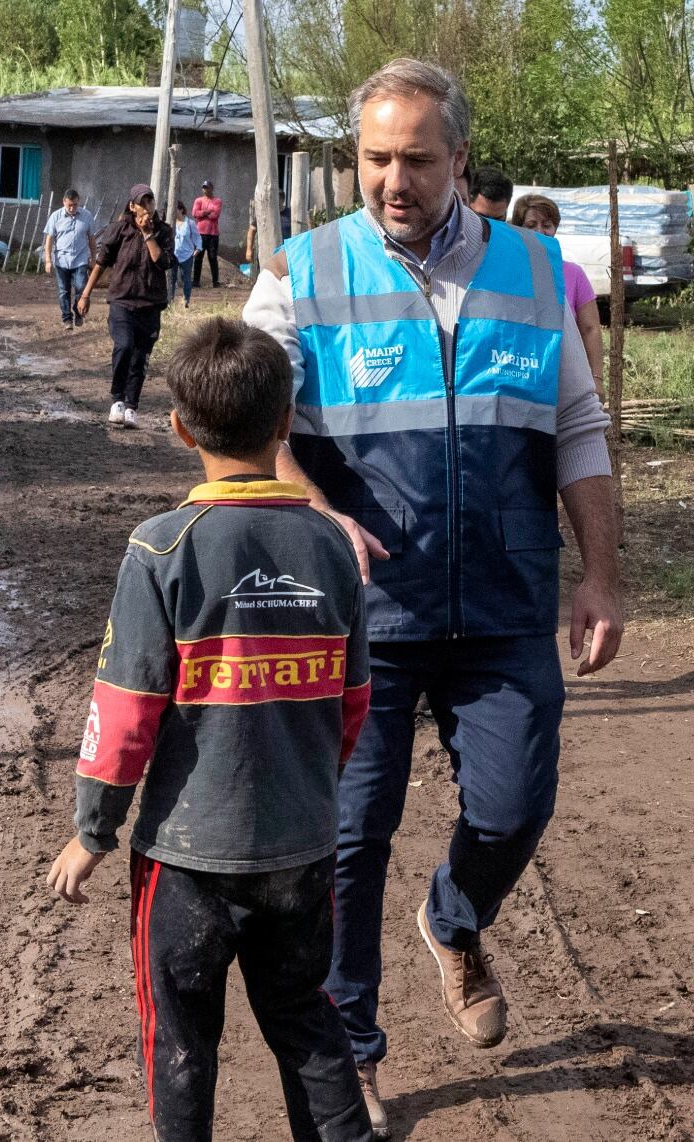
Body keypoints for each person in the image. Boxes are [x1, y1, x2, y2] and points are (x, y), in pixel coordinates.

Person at [243, 58, 623, 1139]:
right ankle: (354, 1050)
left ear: (460, 159)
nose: (391, 179)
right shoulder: (299, 273)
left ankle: (451, 918)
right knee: (348, 840)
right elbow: (253, 428)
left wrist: (599, 573)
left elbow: (581, 431)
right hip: (361, 614)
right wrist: (311, 508)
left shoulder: (538, 269)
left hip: (504, 597)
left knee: (510, 809)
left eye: (414, 158)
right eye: (373, 158)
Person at [47, 317, 375, 1142]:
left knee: (182, 1041)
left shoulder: (162, 549)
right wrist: (311, 783)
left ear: (180, 428)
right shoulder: (333, 547)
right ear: (286, 423)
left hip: (187, 860)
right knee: (307, 1022)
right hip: (302, 846)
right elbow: (354, 701)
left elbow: (125, 708)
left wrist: (93, 829)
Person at [77, 184, 172, 430]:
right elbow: (100, 264)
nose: (147, 207)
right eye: (142, 202)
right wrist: (85, 294)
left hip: (150, 305)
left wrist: (149, 234)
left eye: (150, 202)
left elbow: (163, 263)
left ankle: (131, 407)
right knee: (125, 346)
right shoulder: (119, 230)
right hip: (122, 301)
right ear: (132, 206)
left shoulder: (163, 231)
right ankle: (117, 400)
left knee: (141, 357)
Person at [511, 192, 606, 394]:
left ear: (555, 229)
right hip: (520, 379)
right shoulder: (509, 273)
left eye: (547, 225)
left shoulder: (574, 274)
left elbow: (591, 329)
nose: (540, 231)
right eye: (531, 225)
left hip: (566, 380)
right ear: (518, 229)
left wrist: (597, 378)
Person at [43, 188, 98, 328]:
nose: (72, 208)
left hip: (80, 259)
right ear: (64, 202)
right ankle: (67, 318)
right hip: (61, 260)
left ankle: (78, 313)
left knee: (81, 287)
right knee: (64, 290)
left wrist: (93, 258)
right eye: (69, 205)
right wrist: (48, 260)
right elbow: (49, 240)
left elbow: (92, 239)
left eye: (75, 204)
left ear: (78, 202)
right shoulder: (55, 217)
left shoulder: (87, 216)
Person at [191, 179, 222, 288]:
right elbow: (194, 213)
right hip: (200, 233)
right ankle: (196, 281)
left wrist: (202, 213)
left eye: (207, 187)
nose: (205, 190)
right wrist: (206, 212)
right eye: (204, 187)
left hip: (213, 234)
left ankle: (215, 281)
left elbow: (215, 215)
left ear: (211, 188)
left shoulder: (217, 201)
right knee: (198, 257)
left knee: (212, 257)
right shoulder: (198, 200)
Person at [171, 200, 202, 308]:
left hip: (187, 255)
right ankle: (170, 301)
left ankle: (186, 300)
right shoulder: (171, 222)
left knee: (186, 278)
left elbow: (197, 236)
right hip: (173, 255)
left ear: (181, 209)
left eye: (175, 209)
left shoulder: (190, 223)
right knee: (172, 278)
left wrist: (198, 247)